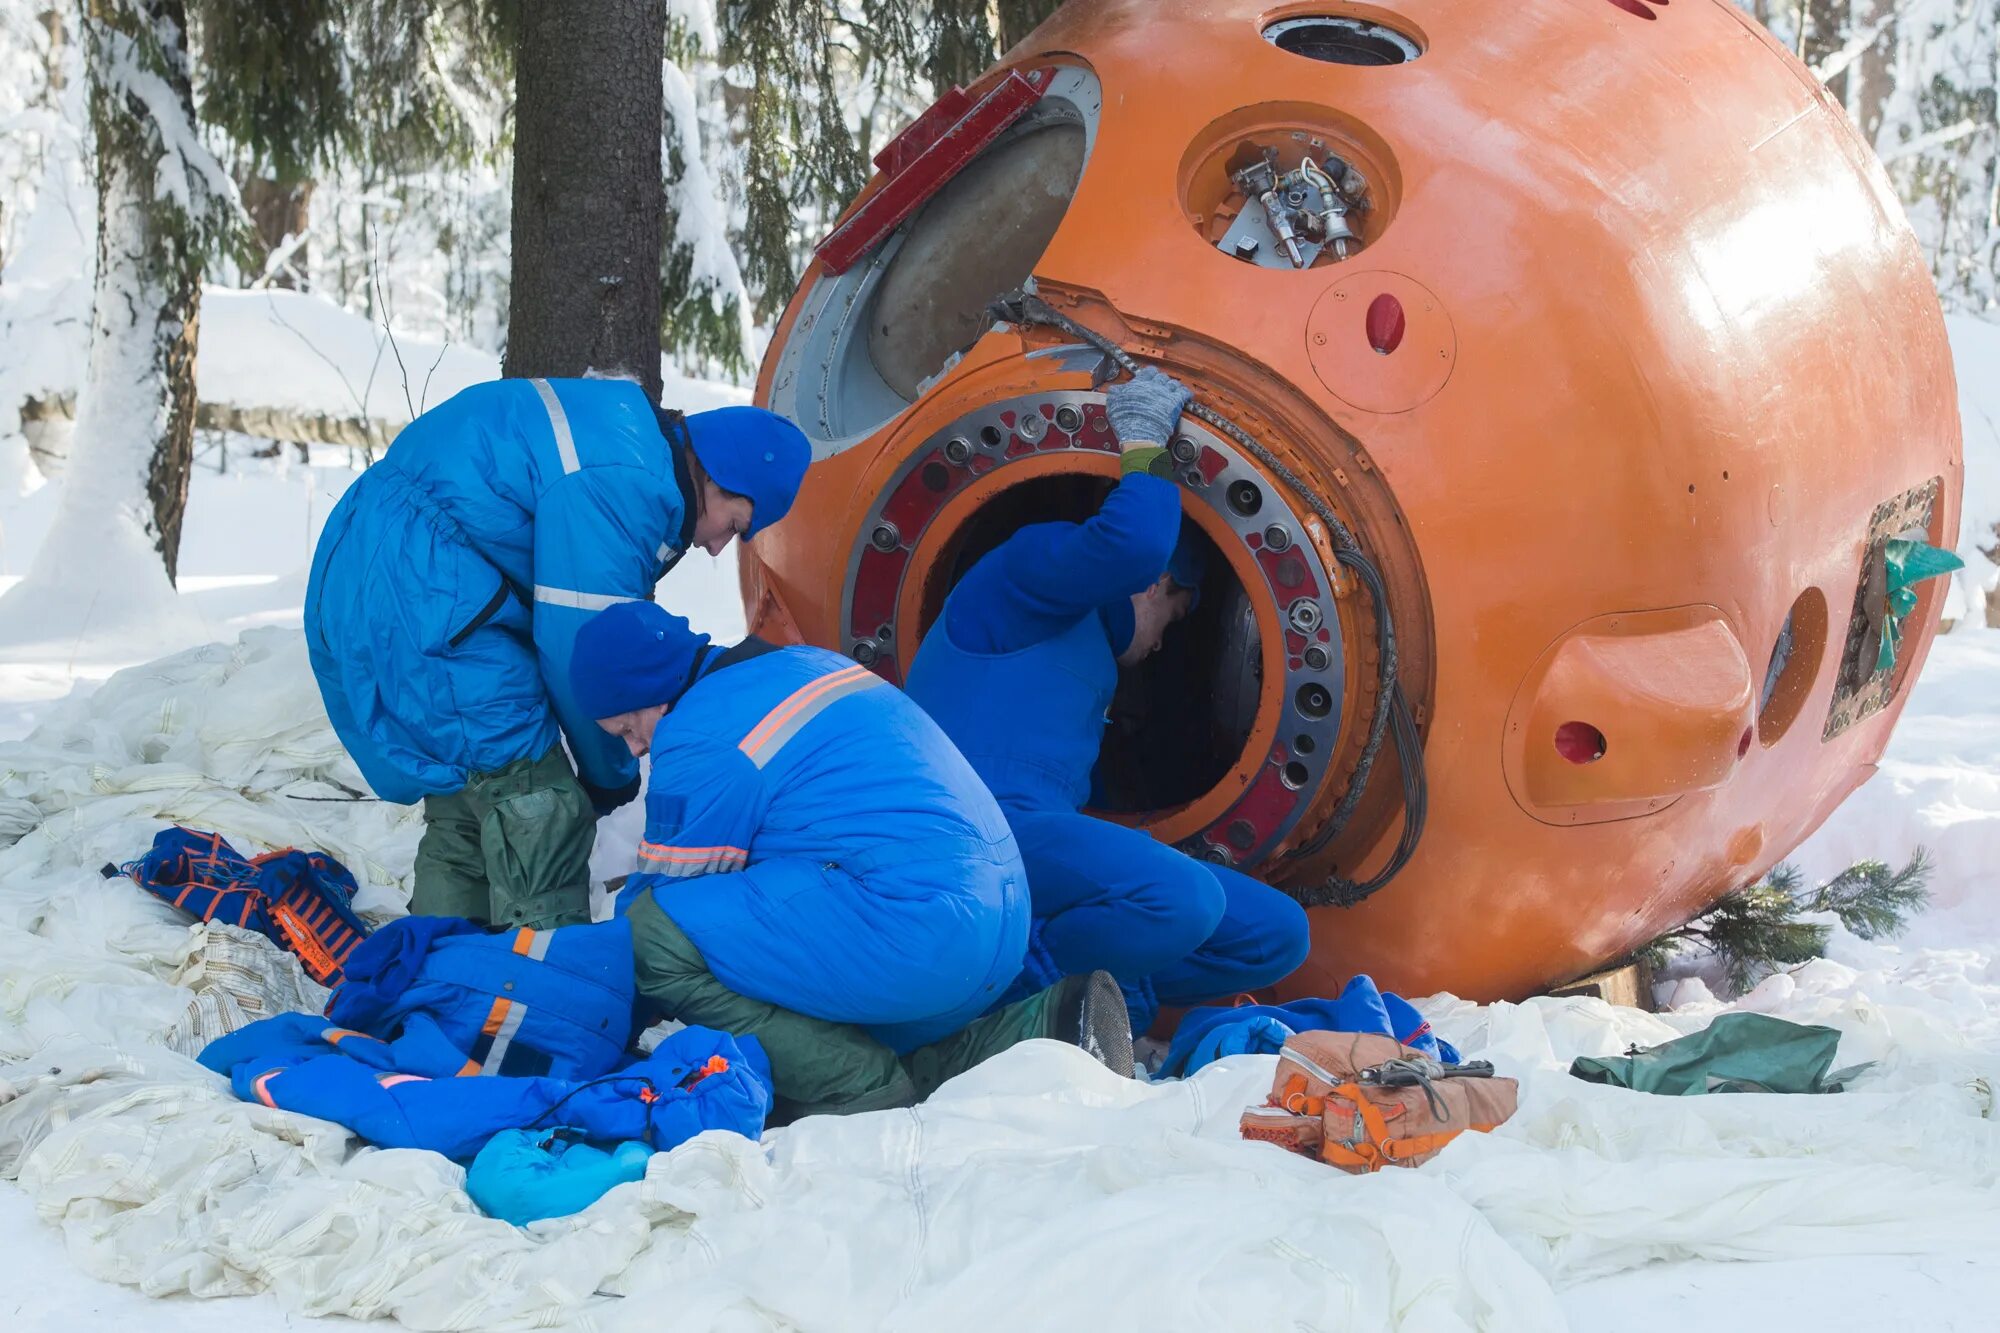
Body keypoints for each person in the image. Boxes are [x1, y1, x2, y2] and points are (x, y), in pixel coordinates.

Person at [569, 599, 1134, 1121]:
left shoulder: (699, 734)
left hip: (914, 931)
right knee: (800, 1001)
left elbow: (663, 901)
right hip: (997, 924)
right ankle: (1047, 1028)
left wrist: (590, 990)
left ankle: (858, 1088)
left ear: (651, 689)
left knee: (651, 939)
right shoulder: (805, 663)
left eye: (626, 728)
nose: (635, 749)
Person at [306, 377, 810, 933]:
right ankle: (543, 998)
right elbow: (587, 653)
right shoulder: (628, 483)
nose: (714, 546)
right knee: (540, 807)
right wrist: (609, 774)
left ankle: (440, 978)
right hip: (426, 589)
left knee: (471, 802)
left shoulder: (622, 434)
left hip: (371, 568)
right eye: (733, 525)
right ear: (717, 472)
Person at [904, 367, 1312, 1035]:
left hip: (1036, 845)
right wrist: (1145, 438)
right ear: (1154, 584)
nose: (1159, 646)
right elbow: (1134, 542)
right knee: (1182, 898)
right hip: (969, 829)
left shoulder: (1092, 658)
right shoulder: (1021, 581)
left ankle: (1109, 994)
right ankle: (1020, 996)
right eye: (1172, 619)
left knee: (1277, 933)